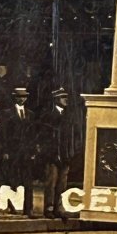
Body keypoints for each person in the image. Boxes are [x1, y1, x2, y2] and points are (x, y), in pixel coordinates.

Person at [1, 87, 38, 217]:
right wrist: (5, 151)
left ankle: (29, 209)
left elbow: (33, 134)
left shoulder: (30, 114)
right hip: (13, 152)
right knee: (13, 179)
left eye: (24, 97)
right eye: (19, 96)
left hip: (26, 152)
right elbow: (4, 134)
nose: (22, 99)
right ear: (15, 98)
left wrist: (33, 151)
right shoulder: (8, 113)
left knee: (28, 181)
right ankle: (12, 205)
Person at [41, 88, 75, 219]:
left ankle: (58, 207)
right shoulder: (49, 115)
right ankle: (48, 208)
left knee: (62, 184)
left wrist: (69, 153)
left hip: (65, 156)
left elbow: (71, 136)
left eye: (66, 97)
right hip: (53, 156)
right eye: (62, 98)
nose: (65, 100)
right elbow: (45, 137)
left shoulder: (68, 116)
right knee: (51, 183)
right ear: (56, 100)